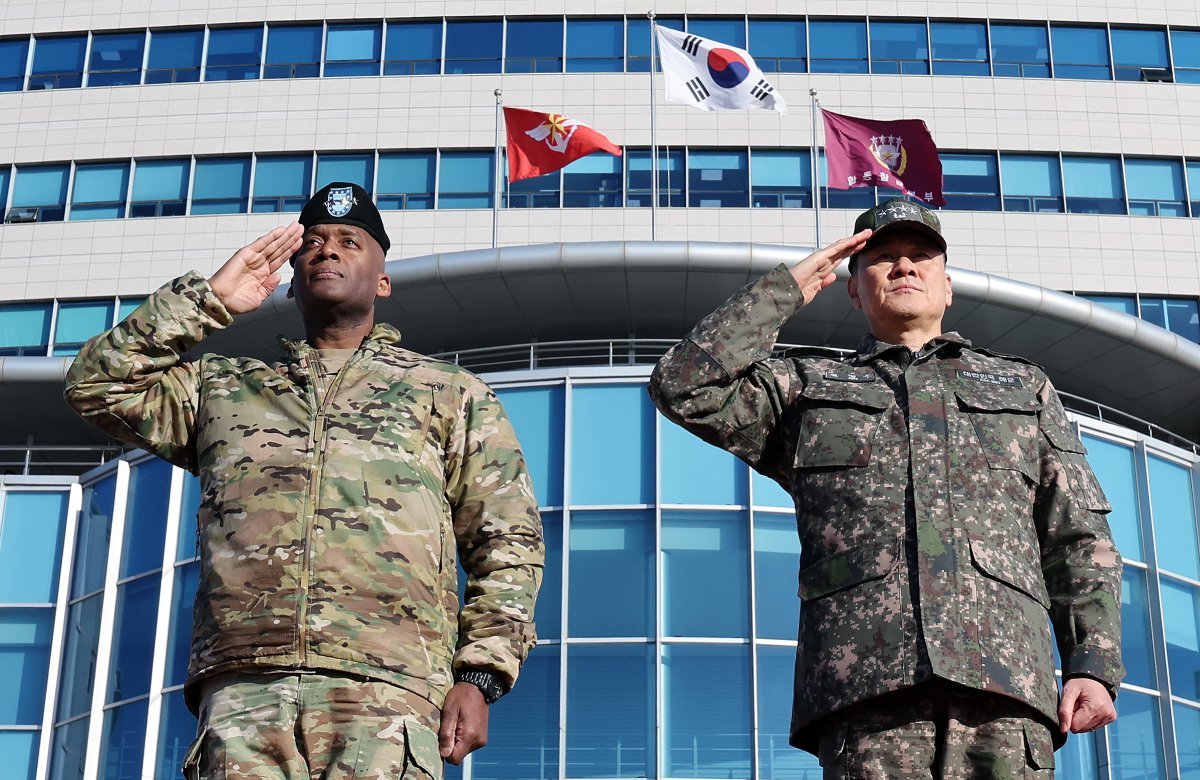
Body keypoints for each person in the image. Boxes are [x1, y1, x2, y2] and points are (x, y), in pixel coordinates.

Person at [65, 182, 544, 779]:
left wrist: (479, 676)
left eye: (349, 241)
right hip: (244, 690)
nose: (327, 250)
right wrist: (210, 299)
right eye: (311, 242)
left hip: (388, 691)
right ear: (291, 278)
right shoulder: (223, 389)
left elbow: (508, 547)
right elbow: (95, 386)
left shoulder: (447, 393)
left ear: (384, 279)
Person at [649, 198, 1122, 778]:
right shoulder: (810, 388)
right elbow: (683, 385)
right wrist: (788, 289)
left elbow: (1077, 536)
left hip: (1004, 687)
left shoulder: (1022, 389)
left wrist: (1092, 665)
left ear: (947, 286)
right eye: (882, 257)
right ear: (852, 290)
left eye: (921, 256)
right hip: (868, 693)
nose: (904, 267)